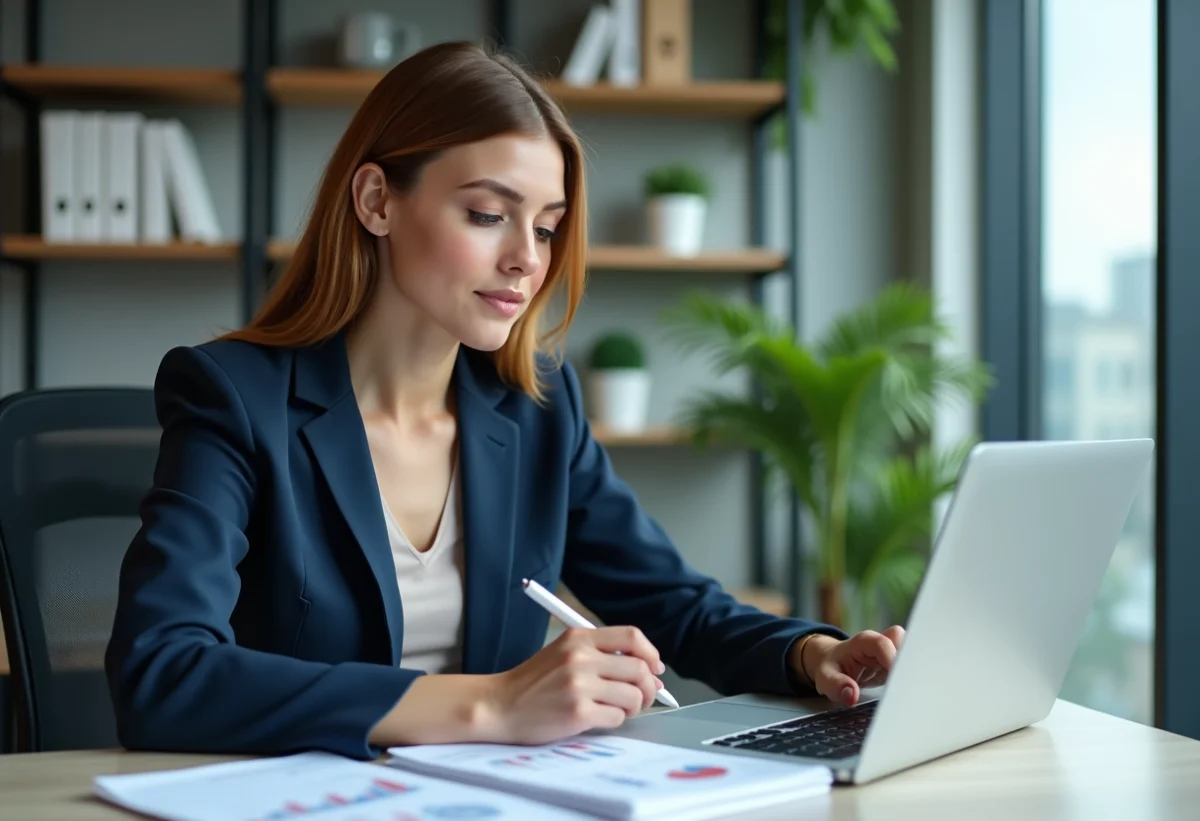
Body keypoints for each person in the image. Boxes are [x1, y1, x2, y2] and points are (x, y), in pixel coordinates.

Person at [104, 41, 905, 760]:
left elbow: (678, 607)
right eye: (488, 214)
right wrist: (493, 701)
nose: (526, 259)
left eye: (548, 226)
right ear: (377, 200)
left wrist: (812, 654)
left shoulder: (539, 412)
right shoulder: (232, 396)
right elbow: (162, 671)